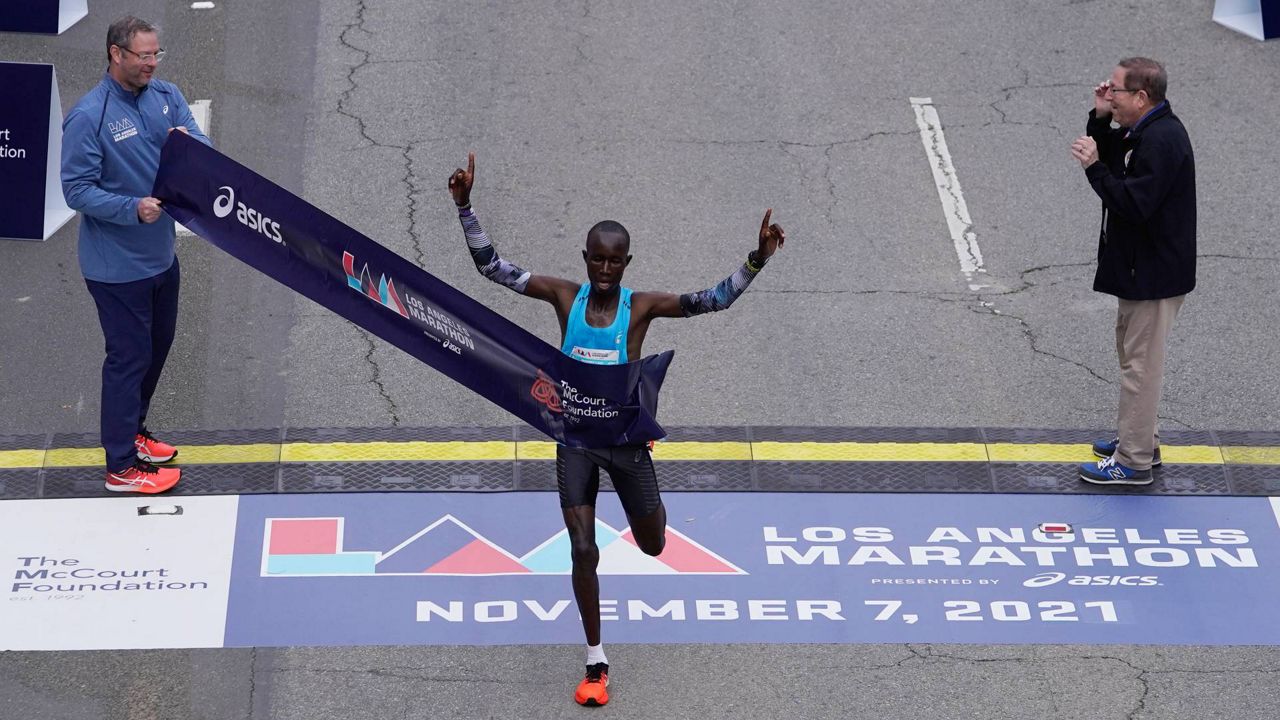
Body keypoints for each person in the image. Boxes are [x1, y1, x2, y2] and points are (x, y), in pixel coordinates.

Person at [448, 152, 785, 706]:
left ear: (627, 264)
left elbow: (711, 301)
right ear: (586, 259)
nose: (605, 271)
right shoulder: (564, 296)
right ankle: (595, 661)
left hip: (627, 448)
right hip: (576, 443)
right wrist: (464, 207)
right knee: (583, 550)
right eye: (597, 261)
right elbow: (493, 268)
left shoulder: (641, 308)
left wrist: (756, 260)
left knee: (653, 545)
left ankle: (647, 520)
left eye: (615, 263)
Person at [61, 16, 211, 494]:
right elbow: (76, 190)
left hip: (161, 259)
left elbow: (197, 142)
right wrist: (132, 208)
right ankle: (121, 467)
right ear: (115, 53)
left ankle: (135, 434)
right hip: (116, 269)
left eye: (155, 54)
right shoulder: (90, 116)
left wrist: (194, 150)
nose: (151, 63)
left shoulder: (166, 96)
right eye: (143, 55)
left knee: (156, 349)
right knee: (128, 359)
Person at [1069, 57, 1195, 486]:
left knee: (1140, 369)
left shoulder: (1160, 141)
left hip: (1153, 275)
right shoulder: (1147, 129)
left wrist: (1093, 168)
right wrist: (1101, 117)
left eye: (1117, 92)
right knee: (1132, 357)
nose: (1110, 94)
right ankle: (1140, 438)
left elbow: (1132, 203)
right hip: (1142, 269)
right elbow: (1116, 152)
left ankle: (1134, 460)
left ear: (1142, 97)